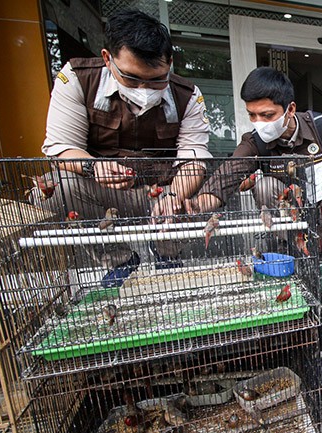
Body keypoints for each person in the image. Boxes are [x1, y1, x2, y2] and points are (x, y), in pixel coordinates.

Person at [41, 9, 211, 287]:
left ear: (169, 62)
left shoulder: (188, 95)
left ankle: (167, 253)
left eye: (156, 79)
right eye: (132, 79)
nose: (144, 88)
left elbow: (193, 161)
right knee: (54, 189)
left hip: (159, 193)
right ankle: (119, 260)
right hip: (103, 191)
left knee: (199, 192)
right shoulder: (78, 78)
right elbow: (61, 148)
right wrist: (93, 167)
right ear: (108, 59)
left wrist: (174, 194)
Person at [189, 67, 322, 212]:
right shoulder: (255, 142)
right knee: (264, 186)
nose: (259, 122)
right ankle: (292, 244)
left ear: (290, 109)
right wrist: (197, 205)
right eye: (252, 115)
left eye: (267, 115)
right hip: (289, 217)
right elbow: (227, 175)